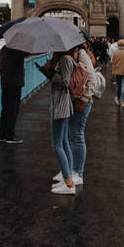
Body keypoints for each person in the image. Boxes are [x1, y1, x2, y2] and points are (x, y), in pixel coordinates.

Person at [37, 51, 76, 195]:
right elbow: (56, 80)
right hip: (59, 103)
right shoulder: (63, 59)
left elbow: (65, 82)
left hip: (61, 105)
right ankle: (68, 178)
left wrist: (51, 71)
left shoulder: (65, 59)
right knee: (64, 142)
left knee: (57, 144)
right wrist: (46, 71)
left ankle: (68, 183)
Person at [67, 42, 96, 185]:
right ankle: (70, 170)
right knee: (71, 136)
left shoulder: (81, 54)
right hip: (72, 101)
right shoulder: (70, 54)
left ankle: (78, 172)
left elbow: (92, 79)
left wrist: (84, 100)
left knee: (77, 136)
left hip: (81, 101)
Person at [0, 46, 26, 144]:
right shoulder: (16, 49)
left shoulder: (3, 49)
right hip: (14, 83)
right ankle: (10, 135)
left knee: (5, 109)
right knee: (13, 109)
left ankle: (3, 134)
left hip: (5, 83)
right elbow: (26, 52)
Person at [111, 38, 124, 107]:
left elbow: (112, 62)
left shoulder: (116, 52)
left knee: (118, 85)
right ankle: (123, 101)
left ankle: (117, 97)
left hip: (117, 71)